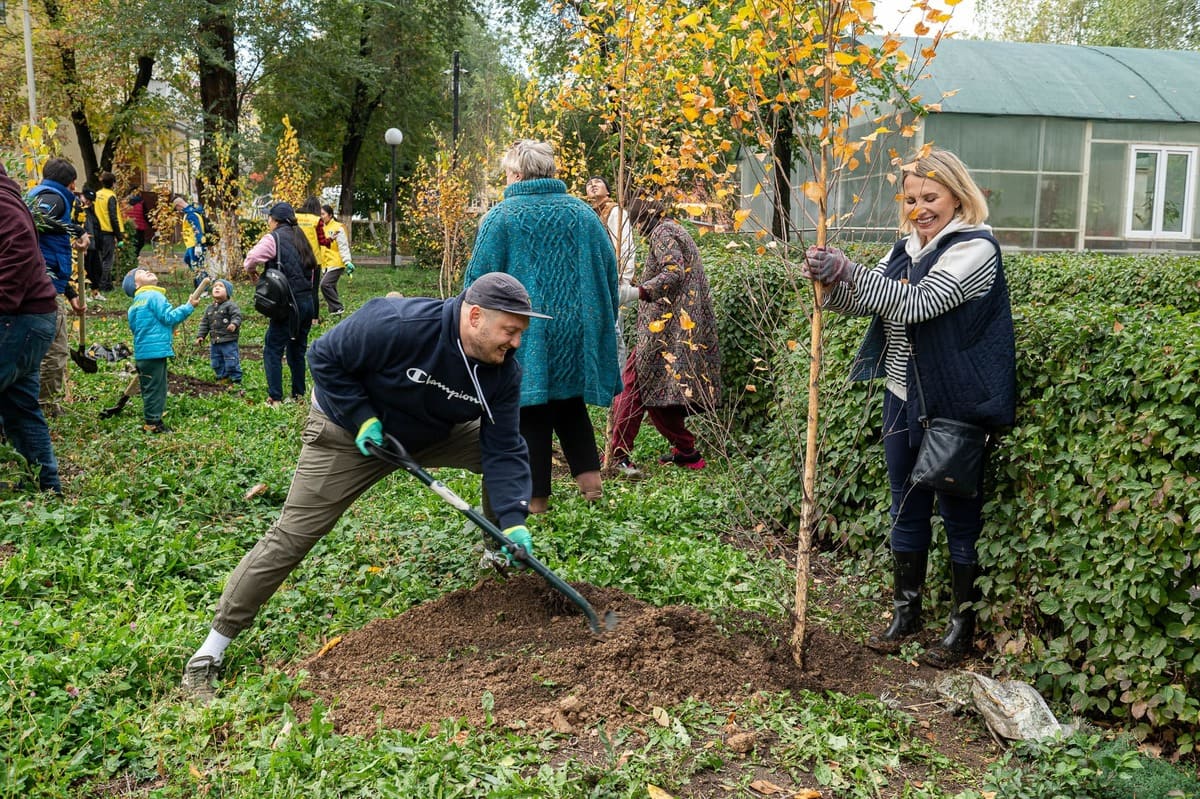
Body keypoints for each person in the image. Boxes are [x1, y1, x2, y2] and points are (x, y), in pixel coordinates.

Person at [180, 272, 546, 702]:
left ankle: (497, 547)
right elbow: (323, 356)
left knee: (504, 457)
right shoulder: (397, 322)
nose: (516, 343)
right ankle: (209, 651)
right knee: (293, 536)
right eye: (510, 331)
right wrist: (362, 418)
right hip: (347, 433)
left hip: (429, 433)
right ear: (476, 316)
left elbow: (503, 447)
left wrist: (513, 520)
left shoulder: (504, 372)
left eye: (520, 333)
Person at [801, 148, 1016, 669]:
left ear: (957, 196)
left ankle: (960, 629)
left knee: (959, 517)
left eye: (931, 197)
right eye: (911, 199)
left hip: (955, 403)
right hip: (902, 396)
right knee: (906, 506)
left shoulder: (974, 248)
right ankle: (906, 616)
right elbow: (867, 301)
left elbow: (918, 303)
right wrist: (830, 283)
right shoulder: (904, 248)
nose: (920, 209)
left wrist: (851, 269)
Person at [464, 140, 623, 513]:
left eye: (507, 172)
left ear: (518, 174)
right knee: (570, 404)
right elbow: (609, 271)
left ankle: (536, 505)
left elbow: (476, 282)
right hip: (577, 329)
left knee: (529, 409)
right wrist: (600, 319)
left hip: (524, 328)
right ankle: (592, 490)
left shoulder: (501, 217)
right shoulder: (583, 213)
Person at [607, 197, 722, 478]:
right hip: (676, 325)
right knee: (655, 389)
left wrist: (637, 292)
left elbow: (673, 272)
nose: (636, 231)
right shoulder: (674, 228)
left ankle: (617, 455)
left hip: (665, 328)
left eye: (636, 224)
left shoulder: (662, 232)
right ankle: (687, 451)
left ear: (643, 220)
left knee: (634, 384)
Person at [0, 162, 63, 494]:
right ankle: (46, 490)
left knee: (21, 407)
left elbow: (21, 247)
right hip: (30, 318)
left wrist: (3, 300)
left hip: (18, 319)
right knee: (20, 407)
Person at [26, 158, 89, 417]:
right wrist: (75, 229)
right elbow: (36, 218)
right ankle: (43, 406)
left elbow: (47, 252)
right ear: (72, 183)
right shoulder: (53, 197)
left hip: (43, 284)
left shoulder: (40, 193)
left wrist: (70, 293)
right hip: (42, 290)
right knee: (55, 349)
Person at [242, 202, 320, 406]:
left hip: (288, 304)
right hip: (307, 303)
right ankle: (299, 395)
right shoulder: (301, 236)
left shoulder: (273, 238)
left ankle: (275, 397)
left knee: (273, 348)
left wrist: (252, 272)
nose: (268, 222)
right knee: (297, 350)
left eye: (269, 218)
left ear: (274, 220)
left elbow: (250, 259)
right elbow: (312, 270)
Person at [124, 267, 203, 433]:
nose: (147, 271)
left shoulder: (134, 305)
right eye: (141, 273)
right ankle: (153, 423)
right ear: (136, 285)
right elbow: (169, 317)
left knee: (149, 387)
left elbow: (137, 328)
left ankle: (151, 418)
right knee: (157, 389)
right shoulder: (154, 295)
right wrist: (189, 306)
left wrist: (164, 331)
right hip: (156, 351)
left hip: (142, 353)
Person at [194, 279, 242, 387]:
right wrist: (200, 336)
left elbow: (237, 316)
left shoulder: (231, 306)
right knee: (216, 361)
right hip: (215, 341)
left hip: (228, 340)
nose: (217, 288)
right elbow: (205, 323)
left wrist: (234, 324)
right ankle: (222, 377)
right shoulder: (209, 308)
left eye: (221, 286)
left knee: (231, 360)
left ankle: (235, 379)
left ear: (228, 292)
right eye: (215, 286)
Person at [316, 203, 354, 316]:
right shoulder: (320, 228)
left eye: (323, 214)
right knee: (331, 286)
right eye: (320, 214)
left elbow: (343, 246)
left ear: (330, 215)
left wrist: (347, 262)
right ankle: (335, 312)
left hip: (336, 263)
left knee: (325, 285)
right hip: (325, 264)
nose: (321, 216)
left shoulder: (338, 228)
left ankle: (337, 307)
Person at [93, 171, 124, 293]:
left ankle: (106, 284)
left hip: (96, 231)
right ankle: (104, 285)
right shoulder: (111, 196)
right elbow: (113, 217)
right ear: (113, 183)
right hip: (108, 232)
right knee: (108, 260)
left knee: (100, 259)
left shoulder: (97, 194)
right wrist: (119, 236)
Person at [172, 195, 209, 282]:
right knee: (187, 259)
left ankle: (203, 286)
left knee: (197, 267)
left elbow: (197, 230)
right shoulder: (190, 211)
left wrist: (198, 245)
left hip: (195, 244)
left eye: (176, 208)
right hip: (191, 244)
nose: (178, 211)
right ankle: (204, 280)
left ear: (178, 205)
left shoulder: (190, 214)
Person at [125, 190, 150, 256]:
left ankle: (131, 256)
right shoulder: (141, 203)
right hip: (139, 227)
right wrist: (152, 225)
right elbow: (146, 215)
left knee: (130, 243)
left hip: (128, 227)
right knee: (140, 243)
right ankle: (135, 256)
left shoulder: (126, 202)